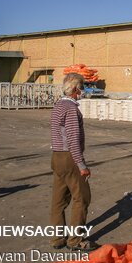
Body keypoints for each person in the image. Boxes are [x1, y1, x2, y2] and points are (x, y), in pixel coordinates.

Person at [49, 73, 99, 251]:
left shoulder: (58, 106)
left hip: (57, 156)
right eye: (82, 87)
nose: (83, 91)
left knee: (59, 200)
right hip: (70, 158)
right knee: (81, 198)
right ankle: (75, 240)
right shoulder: (71, 109)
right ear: (76, 89)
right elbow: (73, 137)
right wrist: (81, 165)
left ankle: (57, 239)